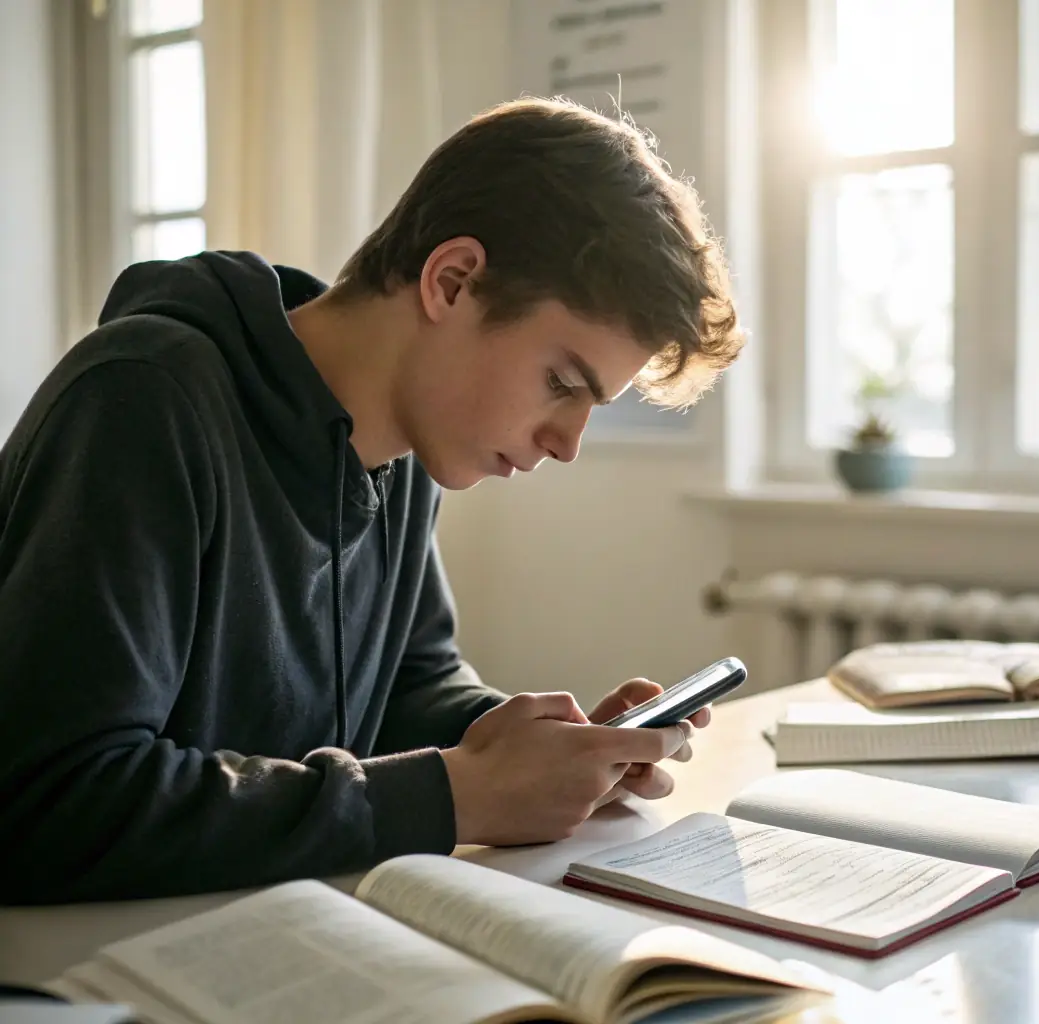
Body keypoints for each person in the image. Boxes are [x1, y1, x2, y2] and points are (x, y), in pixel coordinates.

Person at [0, 97, 743, 904]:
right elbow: (53, 802)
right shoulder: (144, 400)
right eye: (560, 383)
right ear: (451, 281)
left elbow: (404, 692)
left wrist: (539, 755)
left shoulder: (409, 453)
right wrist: (457, 795)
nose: (565, 442)